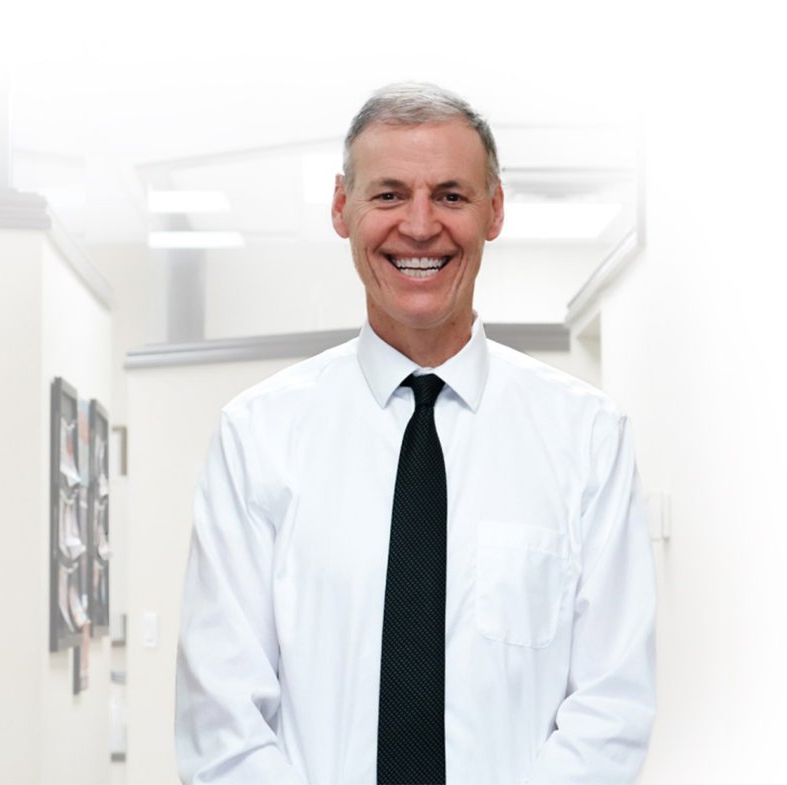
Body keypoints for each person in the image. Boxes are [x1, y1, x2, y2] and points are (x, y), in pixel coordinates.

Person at [175, 82, 656, 785]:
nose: (421, 225)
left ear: (495, 210)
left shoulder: (588, 439)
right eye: (390, 194)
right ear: (342, 207)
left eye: (451, 195)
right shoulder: (256, 438)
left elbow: (611, 711)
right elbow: (222, 724)